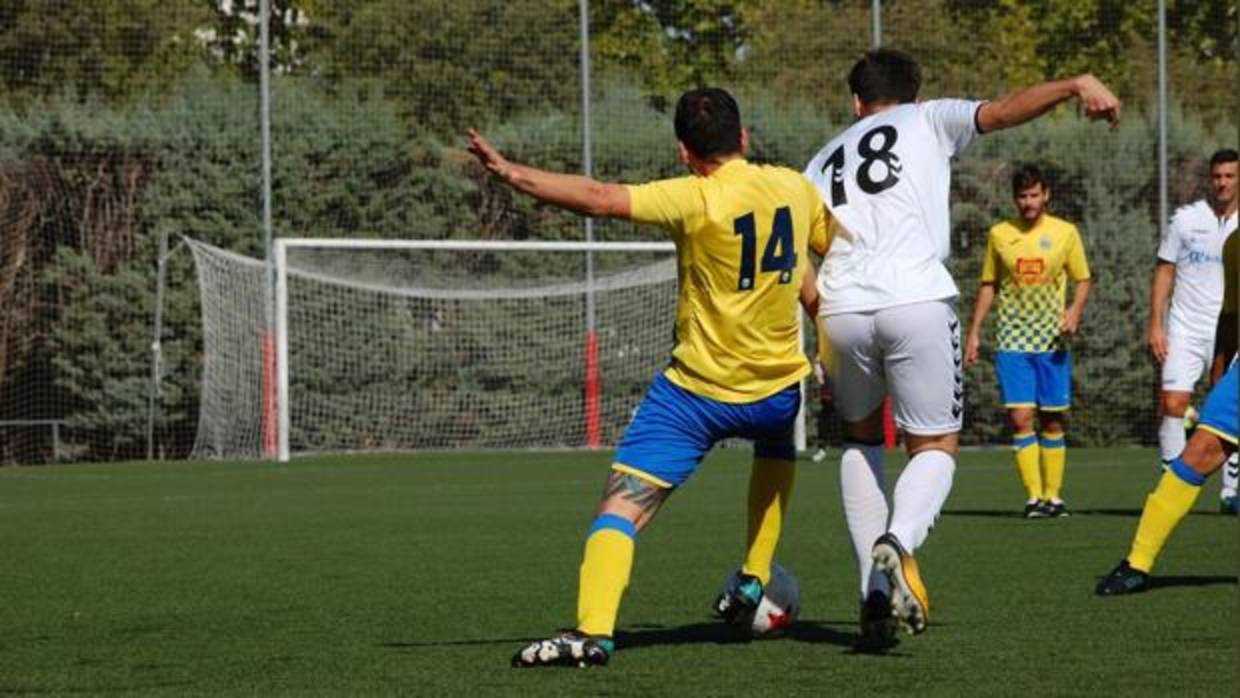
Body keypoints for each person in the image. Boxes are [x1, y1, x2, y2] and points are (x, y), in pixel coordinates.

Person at [467, 87, 829, 668]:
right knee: (776, 446)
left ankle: (592, 632)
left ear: (685, 152)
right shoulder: (795, 187)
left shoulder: (695, 197)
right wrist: (832, 347)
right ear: (744, 138)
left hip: (698, 394)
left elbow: (597, 198)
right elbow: (820, 270)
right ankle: (755, 574)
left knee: (622, 505)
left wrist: (509, 172)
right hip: (777, 391)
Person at [802, 48, 1119, 646]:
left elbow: (798, 251)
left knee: (861, 440)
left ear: (855, 103)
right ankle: (897, 543)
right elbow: (1002, 113)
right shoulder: (928, 119)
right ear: (917, 95)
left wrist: (822, 321)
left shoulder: (821, 158)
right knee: (936, 447)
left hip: (840, 307)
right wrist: (1075, 81)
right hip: (915, 299)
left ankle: (872, 591)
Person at [1097, 228, 1237, 594]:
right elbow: (1233, 314)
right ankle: (1137, 564)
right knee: (1198, 451)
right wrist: (1220, 371)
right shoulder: (1235, 244)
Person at [964, 164, 1092, 519]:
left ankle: (1054, 497)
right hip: (1012, 338)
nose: (1028, 202)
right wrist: (974, 331)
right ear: (1015, 198)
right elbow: (988, 284)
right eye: (1022, 196)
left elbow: (1083, 279)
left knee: (1053, 420)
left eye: (1034, 195)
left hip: (1053, 340)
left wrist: (1074, 312)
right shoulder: (1000, 234)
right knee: (1021, 417)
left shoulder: (1065, 233)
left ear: (1046, 195)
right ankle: (1034, 498)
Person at [1147, 149, 1238, 511]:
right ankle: (1170, 483)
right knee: (1173, 403)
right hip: (1185, 327)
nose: (1223, 183)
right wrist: (1156, 324)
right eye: (1218, 176)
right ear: (1209, 178)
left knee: (1228, 408)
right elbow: (1164, 269)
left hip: (1231, 329)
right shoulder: (1186, 219)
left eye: (1230, 176)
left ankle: (1231, 491)